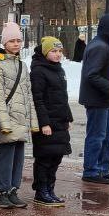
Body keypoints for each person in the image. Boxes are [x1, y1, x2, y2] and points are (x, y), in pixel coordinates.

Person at [0, 22, 39, 208]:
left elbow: (28, 95)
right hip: (7, 119)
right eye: (12, 41)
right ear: (4, 43)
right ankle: (1, 191)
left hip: (21, 119)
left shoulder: (22, 65)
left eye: (18, 40)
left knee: (18, 157)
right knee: (5, 155)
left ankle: (13, 189)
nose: (16, 44)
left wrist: (33, 122)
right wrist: (4, 123)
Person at [79, 13, 109, 183]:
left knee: (107, 137)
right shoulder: (100, 47)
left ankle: (101, 169)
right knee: (97, 137)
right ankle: (91, 171)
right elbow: (92, 75)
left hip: (102, 100)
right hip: (96, 100)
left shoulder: (103, 45)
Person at [31, 36, 72, 206]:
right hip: (47, 123)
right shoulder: (38, 71)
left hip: (59, 121)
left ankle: (50, 188)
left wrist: (68, 118)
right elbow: (37, 99)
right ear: (45, 52)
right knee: (45, 158)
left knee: (56, 157)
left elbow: (63, 97)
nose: (58, 54)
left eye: (60, 51)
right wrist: (44, 123)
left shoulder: (58, 69)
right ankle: (41, 191)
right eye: (54, 51)